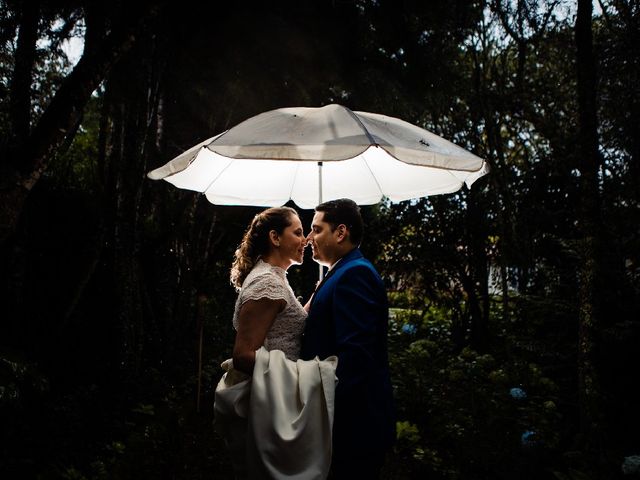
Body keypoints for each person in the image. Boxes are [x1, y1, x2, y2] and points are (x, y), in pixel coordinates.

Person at [215, 206, 338, 480]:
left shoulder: (274, 277)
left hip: (276, 398)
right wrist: (306, 377)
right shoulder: (267, 284)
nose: (306, 239)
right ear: (275, 237)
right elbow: (244, 355)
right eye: (297, 232)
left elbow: (284, 324)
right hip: (271, 403)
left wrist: (313, 300)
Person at [301, 198, 396, 479]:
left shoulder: (355, 274)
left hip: (352, 427)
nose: (309, 239)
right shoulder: (342, 272)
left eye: (317, 230)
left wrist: (321, 414)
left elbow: (355, 358)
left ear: (340, 232)